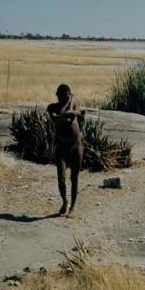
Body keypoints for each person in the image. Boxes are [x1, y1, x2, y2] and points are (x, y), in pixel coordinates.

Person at [47, 84, 84, 215]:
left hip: (76, 145)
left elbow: (76, 113)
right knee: (61, 178)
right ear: (57, 95)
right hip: (61, 146)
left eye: (67, 96)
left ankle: (73, 207)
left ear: (70, 94)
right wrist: (62, 114)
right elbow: (54, 117)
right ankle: (65, 201)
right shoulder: (52, 107)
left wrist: (70, 111)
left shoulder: (73, 103)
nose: (65, 98)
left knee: (74, 177)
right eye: (62, 96)